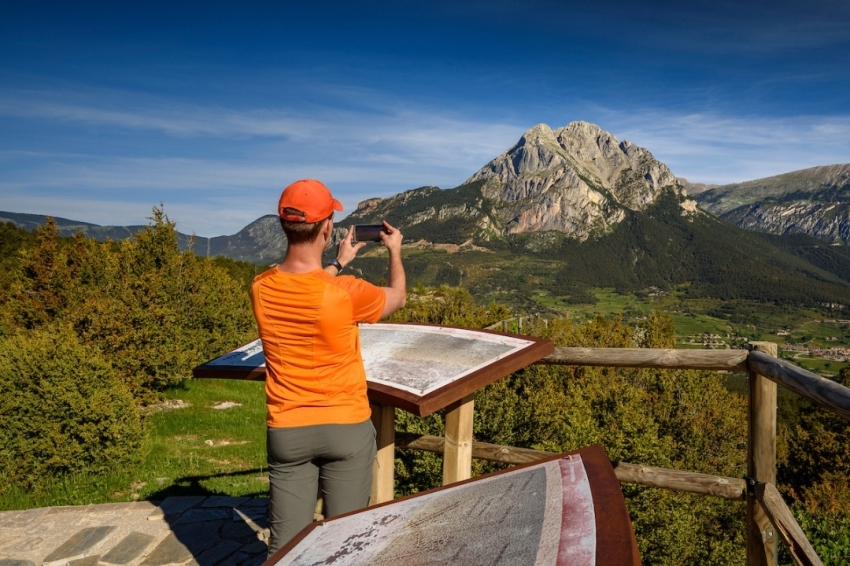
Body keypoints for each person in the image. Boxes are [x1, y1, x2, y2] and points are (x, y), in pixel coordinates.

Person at [249, 179, 406, 556]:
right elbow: (398, 297)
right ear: (326, 228)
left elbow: (306, 286)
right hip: (345, 427)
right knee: (344, 546)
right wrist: (394, 252)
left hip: (287, 429)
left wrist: (337, 263)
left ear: (283, 225)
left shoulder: (261, 288)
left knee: (285, 549)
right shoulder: (346, 293)